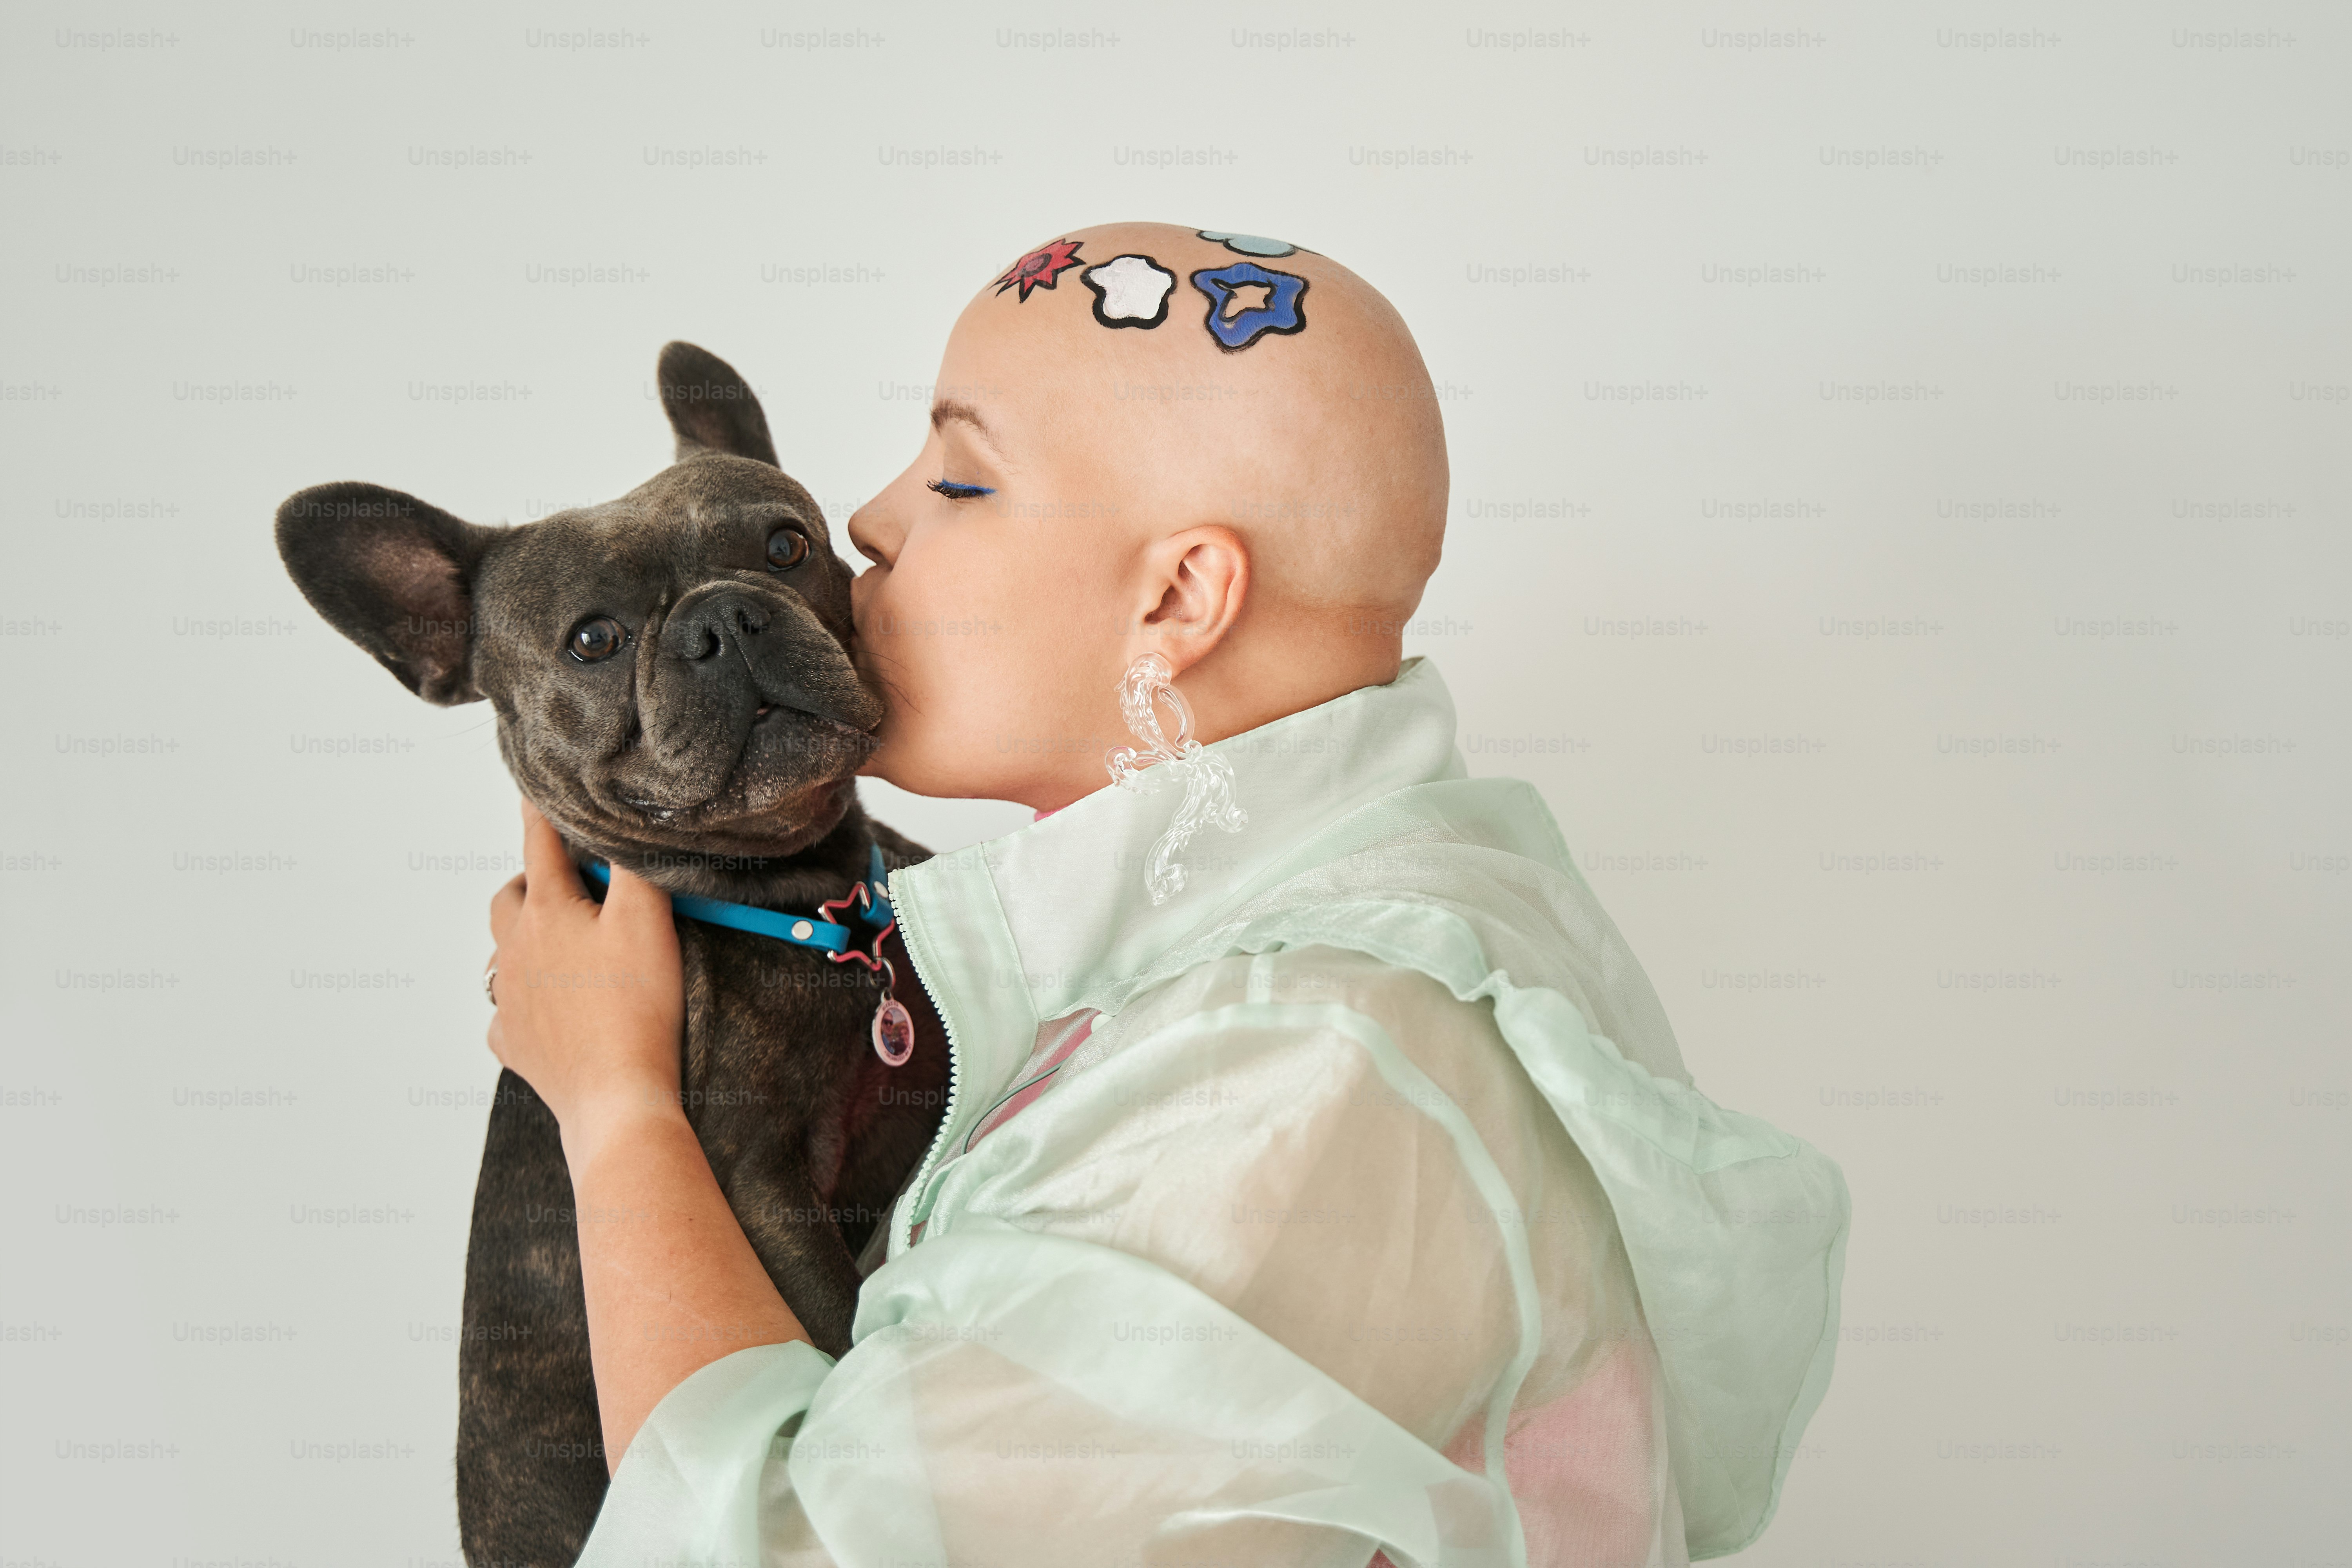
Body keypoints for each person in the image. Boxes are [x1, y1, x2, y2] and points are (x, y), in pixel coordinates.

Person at [485, 222, 1849, 1567]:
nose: (864, 520)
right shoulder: (1300, 950)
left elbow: (807, 1553)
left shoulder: (1292, 1075)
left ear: (1182, 595)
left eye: (959, 481)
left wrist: (616, 1112)